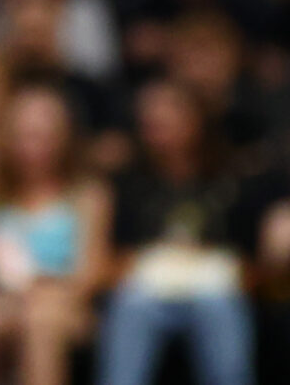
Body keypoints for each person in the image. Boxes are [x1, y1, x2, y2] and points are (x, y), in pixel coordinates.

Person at [95, 80, 264, 385]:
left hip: (214, 290)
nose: (159, 130)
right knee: (132, 305)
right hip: (148, 292)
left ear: (196, 120)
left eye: (168, 119)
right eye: (151, 123)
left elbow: (252, 261)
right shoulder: (129, 183)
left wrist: (216, 265)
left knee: (219, 306)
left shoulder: (233, 181)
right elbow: (111, 259)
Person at [0, 85, 105, 385]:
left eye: (42, 137)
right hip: (2, 295)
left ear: (63, 139)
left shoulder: (86, 195)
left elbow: (91, 271)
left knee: (39, 320)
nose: (31, 147)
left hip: (62, 300)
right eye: (22, 136)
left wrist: (48, 292)